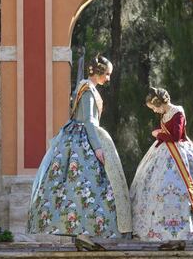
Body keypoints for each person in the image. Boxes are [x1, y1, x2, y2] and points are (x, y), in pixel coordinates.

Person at [27, 55, 132, 250]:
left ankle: (84, 234)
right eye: (107, 74)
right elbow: (90, 121)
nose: (108, 78)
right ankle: (84, 233)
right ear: (99, 72)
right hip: (82, 141)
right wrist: (98, 147)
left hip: (75, 138)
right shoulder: (88, 91)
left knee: (79, 187)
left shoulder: (86, 89)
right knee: (87, 184)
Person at [130, 87, 193, 250]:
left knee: (177, 194)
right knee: (159, 192)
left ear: (159, 103)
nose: (154, 110)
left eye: (154, 107)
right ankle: (168, 235)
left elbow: (176, 135)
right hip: (164, 154)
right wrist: (159, 136)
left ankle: (180, 236)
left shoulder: (177, 111)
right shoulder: (165, 114)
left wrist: (158, 134)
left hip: (179, 157)